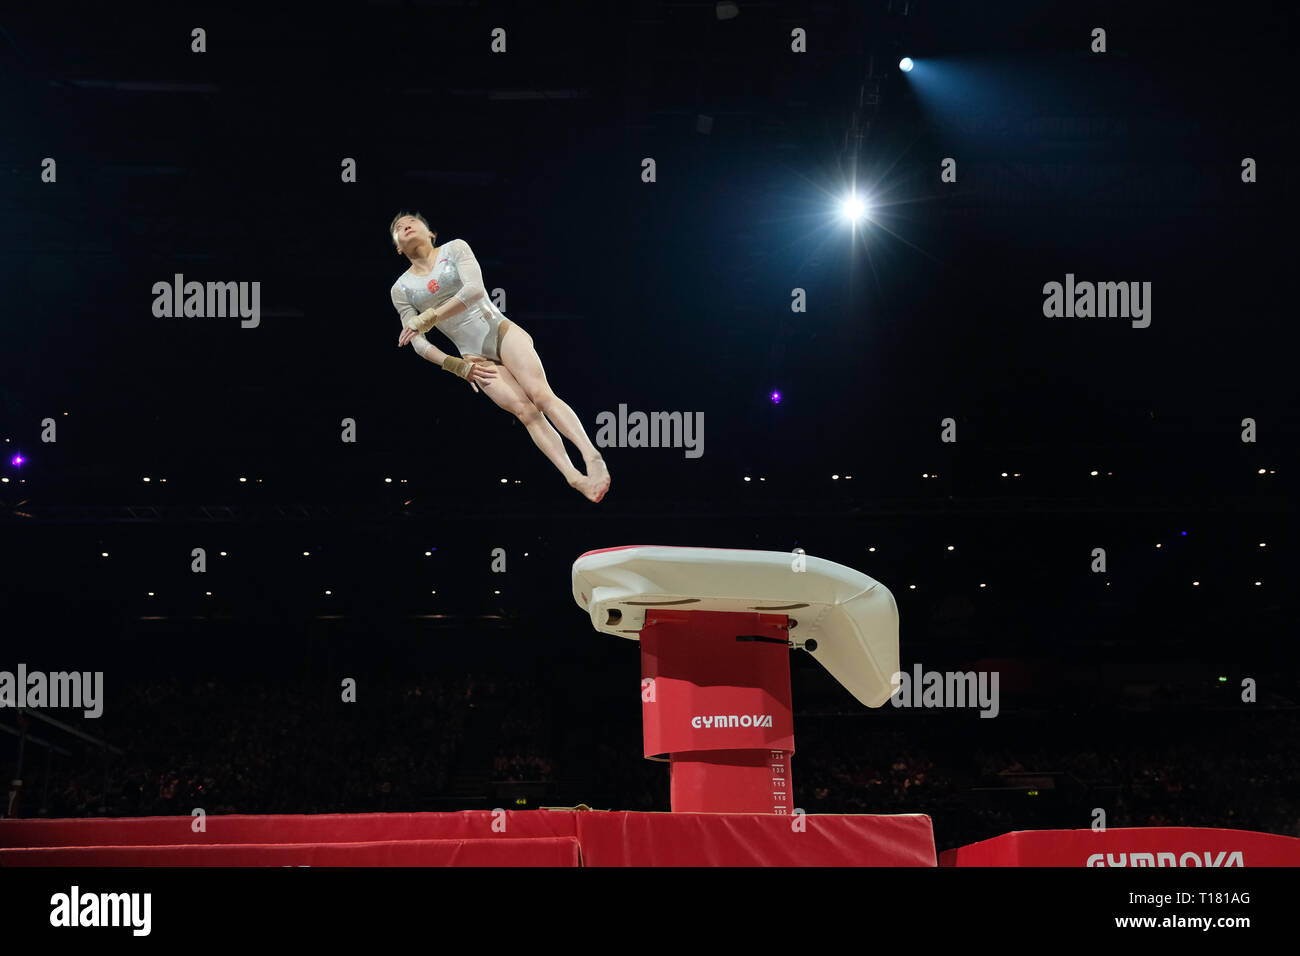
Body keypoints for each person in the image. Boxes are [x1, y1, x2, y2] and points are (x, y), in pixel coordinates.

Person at [388, 212, 610, 502]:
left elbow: (474, 291)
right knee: (526, 413)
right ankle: (573, 476)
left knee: (540, 396)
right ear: (398, 248)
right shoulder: (400, 289)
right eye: (398, 228)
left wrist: (427, 317)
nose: (405, 225)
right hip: (472, 356)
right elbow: (416, 342)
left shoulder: (455, 248)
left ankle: (591, 455)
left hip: (499, 330)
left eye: (411, 221)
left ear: (430, 233)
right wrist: (456, 366)